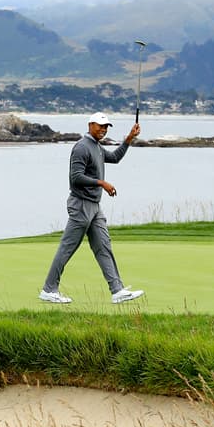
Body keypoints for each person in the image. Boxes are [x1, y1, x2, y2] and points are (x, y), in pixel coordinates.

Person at [40, 112, 144, 305]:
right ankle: (49, 289)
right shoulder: (82, 147)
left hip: (94, 207)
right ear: (90, 125)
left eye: (106, 127)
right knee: (67, 247)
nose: (103, 130)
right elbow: (75, 177)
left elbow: (114, 157)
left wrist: (129, 139)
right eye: (100, 126)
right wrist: (101, 183)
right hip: (80, 204)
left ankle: (117, 290)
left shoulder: (96, 146)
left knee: (104, 246)